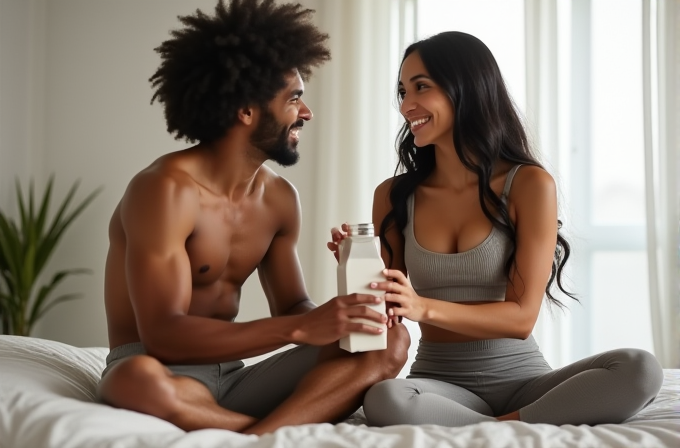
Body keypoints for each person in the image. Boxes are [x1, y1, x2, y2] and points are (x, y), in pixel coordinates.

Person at [97, 0, 409, 436]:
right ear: (245, 110)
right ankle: (270, 433)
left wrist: (349, 313)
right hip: (160, 369)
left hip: (236, 377)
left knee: (387, 342)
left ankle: (255, 435)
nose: (306, 112)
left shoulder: (280, 197)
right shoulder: (164, 190)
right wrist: (302, 327)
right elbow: (162, 335)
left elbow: (293, 308)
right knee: (135, 381)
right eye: (294, 99)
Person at [328, 31, 663, 427]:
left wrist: (424, 306)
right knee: (386, 396)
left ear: (465, 89)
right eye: (402, 91)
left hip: (523, 382)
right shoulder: (393, 195)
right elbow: (388, 311)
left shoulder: (529, 185)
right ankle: (521, 426)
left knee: (640, 367)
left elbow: (521, 318)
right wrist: (356, 265)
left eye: (421, 87)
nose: (406, 105)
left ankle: (495, 425)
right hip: (439, 385)